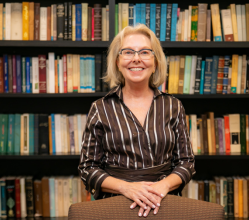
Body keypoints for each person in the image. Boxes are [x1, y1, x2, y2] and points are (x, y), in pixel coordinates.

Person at [78, 24, 195, 217]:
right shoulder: (100, 108)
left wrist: (161, 187)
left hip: (164, 201)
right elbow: (87, 168)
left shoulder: (173, 106)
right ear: (117, 61)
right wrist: (127, 188)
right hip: (115, 204)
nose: (136, 58)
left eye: (145, 52)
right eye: (128, 52)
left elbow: (187, 163)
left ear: (155, 61)